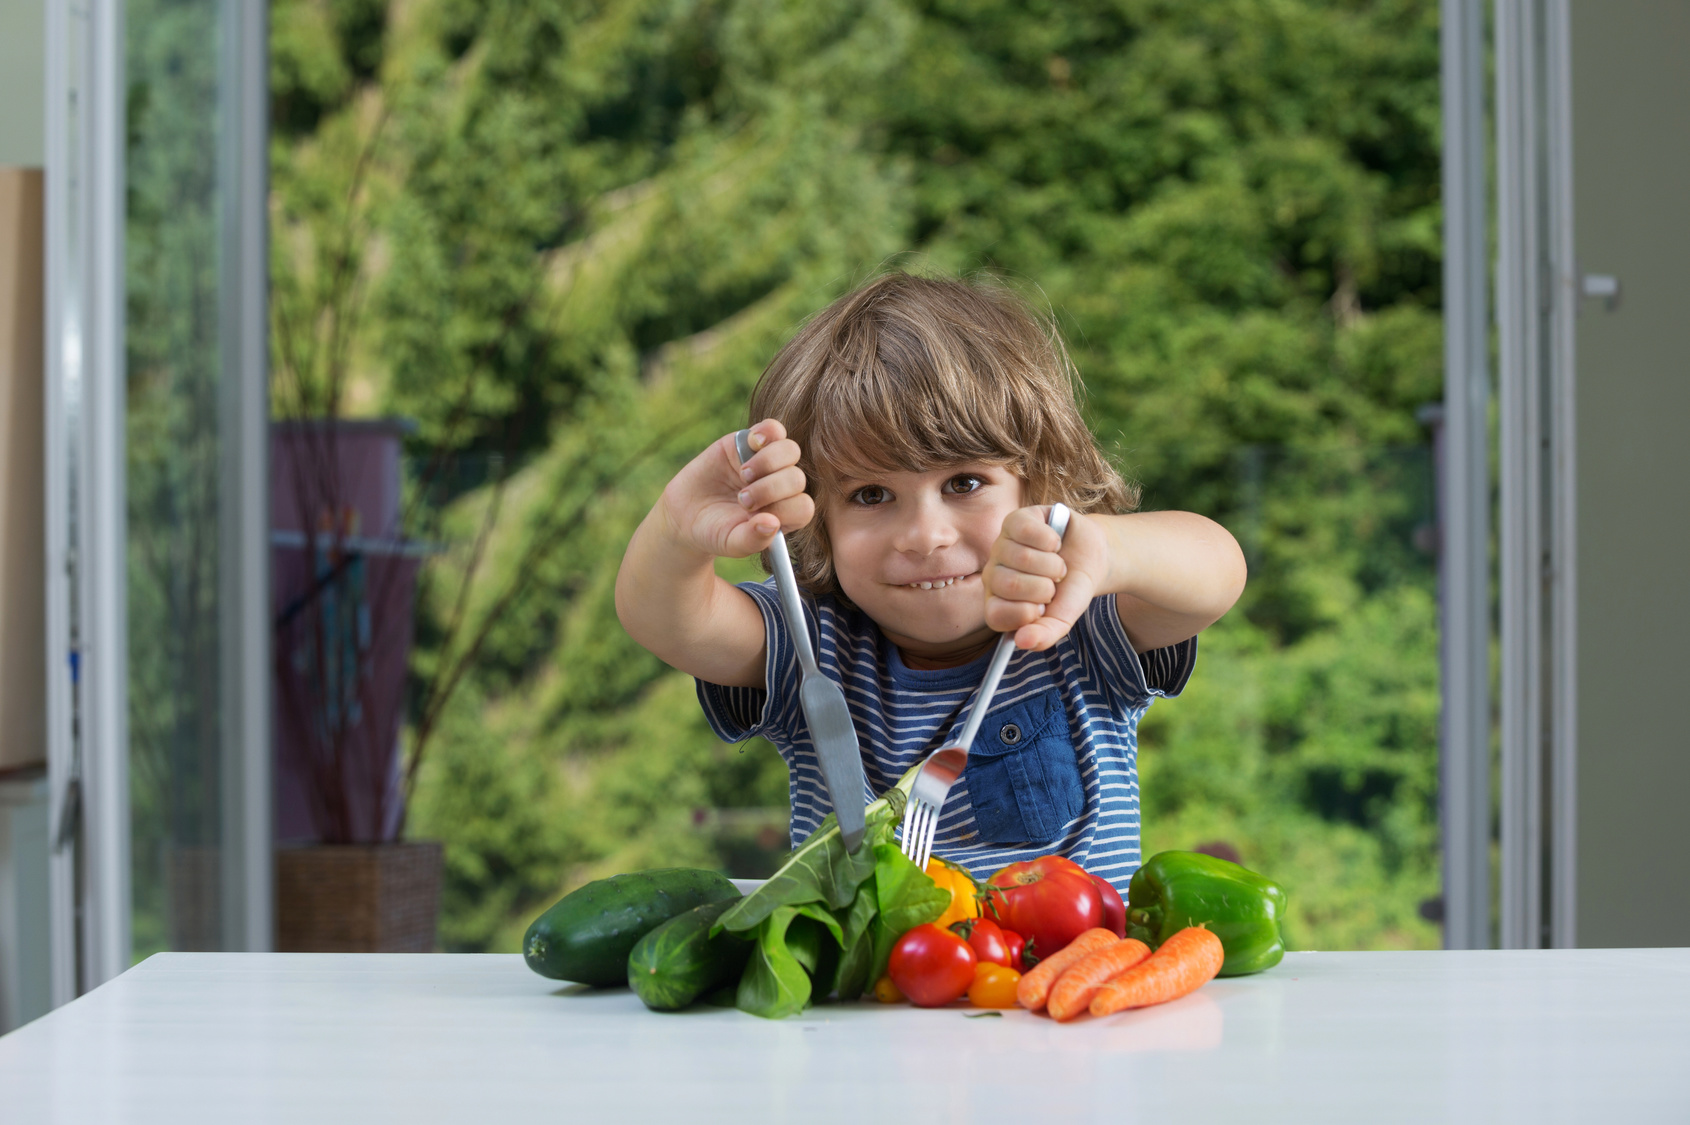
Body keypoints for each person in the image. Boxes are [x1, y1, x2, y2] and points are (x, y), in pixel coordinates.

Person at [615, 272, 1246, 891]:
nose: (925, 535)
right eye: (871, 494)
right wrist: (677, 526)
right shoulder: (807, 646)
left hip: (1063, 987)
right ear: (817, 520)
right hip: (864, 998)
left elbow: (1217, 569)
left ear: (1034, 482)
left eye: (964, 484)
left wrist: (1108, 550)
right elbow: (666, 620)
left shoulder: (1075, 617)